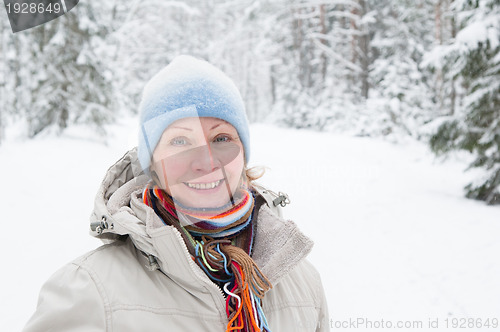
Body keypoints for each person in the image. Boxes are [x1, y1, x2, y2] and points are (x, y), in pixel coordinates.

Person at [23, 55, 329, 332]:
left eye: (222, 138)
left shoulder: (301, 282)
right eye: (180, 142)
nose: (206, 162)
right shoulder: (90, 290)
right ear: (153, 164)